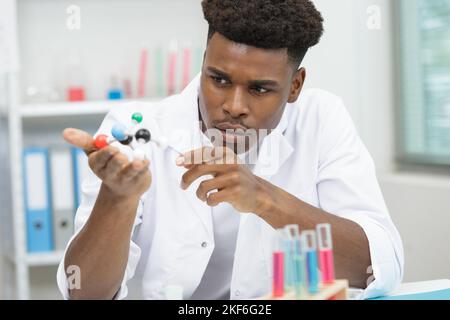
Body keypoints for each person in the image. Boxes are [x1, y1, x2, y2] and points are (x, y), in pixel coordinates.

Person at [57, 0, 404, 300]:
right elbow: (82, 292)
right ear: (204, 62)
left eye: (259, 89)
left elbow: (378, 264)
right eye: (219, 79)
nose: (234, 106)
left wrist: (264, 199)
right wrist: (117, 200)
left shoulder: (321, 119)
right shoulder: (136, 133)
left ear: (295, 86)